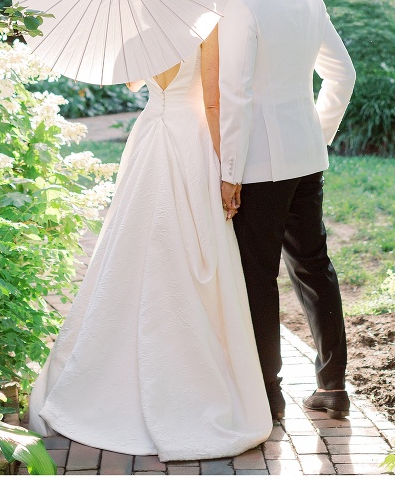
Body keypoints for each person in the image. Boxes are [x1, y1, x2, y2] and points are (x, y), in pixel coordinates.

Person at [28, 28, 272, 460]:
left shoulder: (142, 26)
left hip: (150, 134)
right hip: (190, 138)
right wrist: (227, 170)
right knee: (191, 245)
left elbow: (132, 83)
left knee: (133, 239)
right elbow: (213, 100)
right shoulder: (207, 24)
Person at [218, 0, 356, 422]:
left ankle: (268, 394)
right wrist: (314, 134)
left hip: (257, 163)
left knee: (257, 274)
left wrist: (229, 171)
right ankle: (333, 386)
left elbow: (236, 92)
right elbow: (343, 75)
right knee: (314, 267)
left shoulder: (240, 3)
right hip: (304, 155)